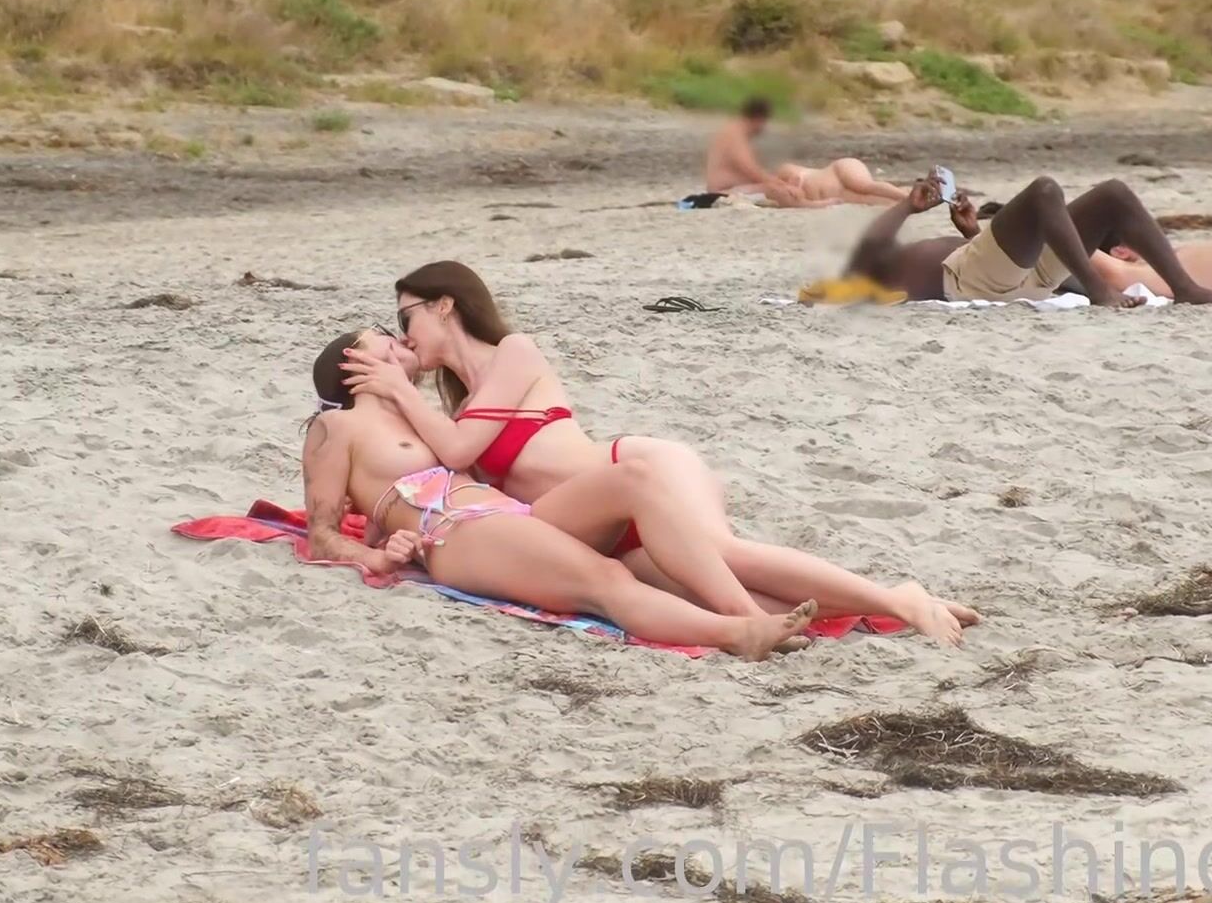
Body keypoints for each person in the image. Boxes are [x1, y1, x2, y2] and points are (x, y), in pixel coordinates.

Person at [338, 261, 982, 646]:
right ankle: (880, 602)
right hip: (601, 525)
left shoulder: (513, 353)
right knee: (713, 591)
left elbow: (458, 449)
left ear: (444, 304)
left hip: (636, 472)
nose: (405, 338)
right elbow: (448, 484)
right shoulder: (456, 408)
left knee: (725, 556)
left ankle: (900, 600)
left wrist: (397, 387)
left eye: (407, 319)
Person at [303, 328, 818, 660]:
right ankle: (738, 634)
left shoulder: (421, 417)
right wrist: (377, 557)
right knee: (607, 578)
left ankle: (754, 610)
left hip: (509, 516)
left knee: (635, 479)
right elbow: (322, 533)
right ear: (352, 363)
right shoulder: (337, 428)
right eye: (382, 340)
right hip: (458, 532)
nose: (400, 341)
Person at [845, 174, 1212, 306]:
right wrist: (907, 206)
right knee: (1043, 192)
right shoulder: (865, 272)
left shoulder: (897, 259)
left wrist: (971, 232)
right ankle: (1099, 292)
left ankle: (1185, 288)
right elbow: (863, 254)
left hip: (1017, 277)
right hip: (974, 282)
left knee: (1113, 194)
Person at [704, 98, 907, 208]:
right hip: (724, 190)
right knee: (866, 195)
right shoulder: (735, 134)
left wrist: (780, 184)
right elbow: (749, 169)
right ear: (758, 119)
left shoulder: (734, 133)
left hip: (836, 173)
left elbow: (752, 171)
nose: (763, 129)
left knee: (865, 188)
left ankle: (906, 195)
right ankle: (908, 195)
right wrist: (781, 185)